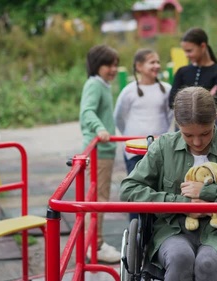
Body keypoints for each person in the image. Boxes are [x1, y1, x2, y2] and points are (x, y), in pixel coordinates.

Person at [120, 86, 217, 280]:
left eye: (205, 133)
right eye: (188, 135)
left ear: (214, 118)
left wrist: (210, 192)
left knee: (207, 263)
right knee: (179, 257)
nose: (197, 142)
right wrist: (182, 204)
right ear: (177, 123)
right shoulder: (163, 147)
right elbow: (128, 189)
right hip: (173, 231)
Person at [114, 48, 173, 221]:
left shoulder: (166, 89)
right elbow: (119, 116)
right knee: (136, 187)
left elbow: (170, 114)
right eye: (151, 62)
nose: (156, 66)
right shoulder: (129, 91)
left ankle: (157, 226)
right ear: (139, 66)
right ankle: (136, 226)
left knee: (159, 188)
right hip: (135, 150)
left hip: (159, 148)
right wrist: (130, 135)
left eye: (158, 62)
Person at [79, 44, 121, 263]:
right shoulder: (95, 84)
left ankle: (94, 242)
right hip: (99, 149)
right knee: (98, 197)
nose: (113, 69)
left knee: (98, 195)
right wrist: (100, 129)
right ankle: (94, 245)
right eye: (108, 65)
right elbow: (87, 111)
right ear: (97, 65)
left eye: (115, 64)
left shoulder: (103, 84)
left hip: (105, 149)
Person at [169, 27, 217, 128]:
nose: (186, 55)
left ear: (203, 46)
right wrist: (207, 98)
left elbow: (216, 103)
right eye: (185, 51)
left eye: (189, 51)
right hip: (182, 128)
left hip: (208, 127)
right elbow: (171, 102)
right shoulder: (182, 72)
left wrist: (184, 101)